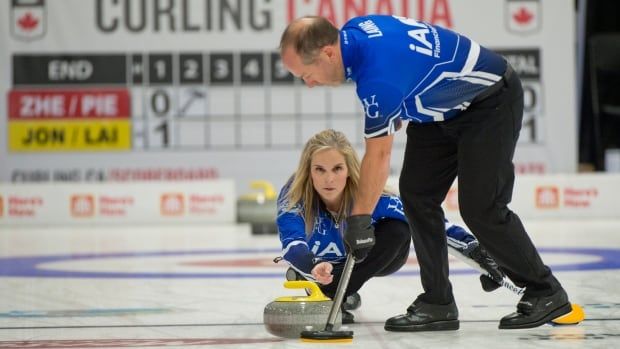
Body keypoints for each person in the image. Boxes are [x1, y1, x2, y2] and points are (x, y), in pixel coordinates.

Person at [279, 15, 573, 331]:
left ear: (327, 53)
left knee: (481, 208)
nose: (308, 84)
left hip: (489, 102)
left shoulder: (378, 78)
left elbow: (379, 155)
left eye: (307, 75)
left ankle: (546, 292)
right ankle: (438, 302)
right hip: (436, 111)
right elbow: (412, 67)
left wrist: (359, 220)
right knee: (417, 196)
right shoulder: (354, 34)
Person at [276, 129, 503, 324]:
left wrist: (477, 251)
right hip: (319, 265)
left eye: (337, 169)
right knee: (308, 264)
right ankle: (334, 288)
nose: (329, 180)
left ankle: (335, 293)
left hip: (367, 261)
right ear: (309, 170)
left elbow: (429, 222)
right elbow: (292, 244)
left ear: (349, 170)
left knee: (399, 229)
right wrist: (312, 265)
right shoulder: (294, 198)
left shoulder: (370, 196)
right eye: (320, 170)